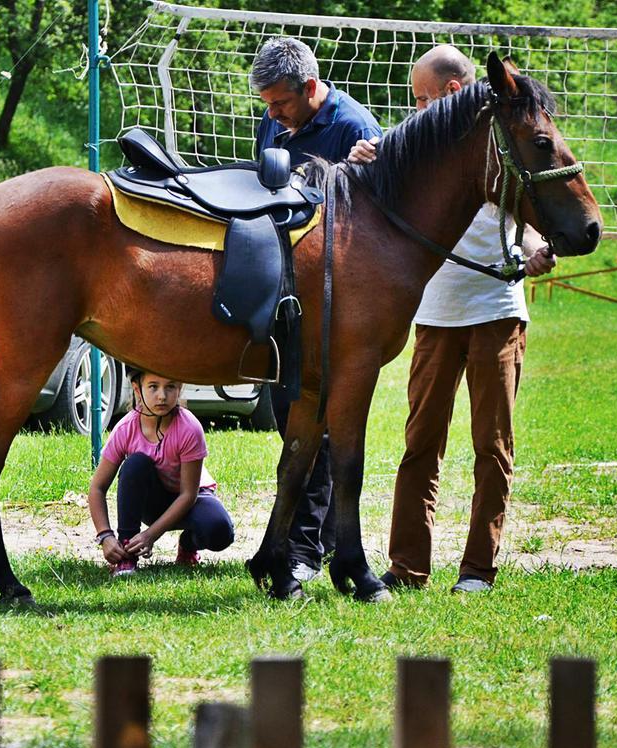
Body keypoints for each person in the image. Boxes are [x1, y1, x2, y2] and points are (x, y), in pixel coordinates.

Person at [348, 45, 555, 594]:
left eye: (421, 98)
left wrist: (534, 249)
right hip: (435, 316)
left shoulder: (495, 153)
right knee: (421, 444)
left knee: (492, 447)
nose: (414, 108)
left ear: (453, 91)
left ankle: (477, 570)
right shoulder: (415, 148)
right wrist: (366, 162)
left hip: (496, 313)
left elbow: (523, 216)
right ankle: (407, 566)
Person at [250, 36, 383, 584]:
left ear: (310, 88)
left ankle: (305, 548)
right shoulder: (275, 119)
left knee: (321, 428)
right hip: (282, 291)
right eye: (266, 105)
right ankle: (318, 543)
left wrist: (361, 171)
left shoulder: (356, 128)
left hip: (333, 302)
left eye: (280, 103)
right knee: (293, 420)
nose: (272, 115)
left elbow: (379, 219)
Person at [89, 370, 235, 576]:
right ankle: (126, 553)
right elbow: (97, 487)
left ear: (180, 388)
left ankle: (188, 543)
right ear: (137, 389)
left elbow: (188, 494)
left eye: (170, 386)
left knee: (220, 532)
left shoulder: (189, 427)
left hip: (191, 500)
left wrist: (150, 535)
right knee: (135, 464)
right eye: (153, 386)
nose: (162, 396)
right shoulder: (125, 428)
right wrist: (105, 536)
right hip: (152, 502)